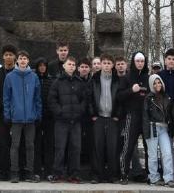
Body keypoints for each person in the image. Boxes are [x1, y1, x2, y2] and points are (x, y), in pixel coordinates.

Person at [4, 50, 42, 183]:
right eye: (20, 58)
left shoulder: (34, 77)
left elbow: (37, 98)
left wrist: (38, 114)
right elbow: (6, 98)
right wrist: (8, 114)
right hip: (16, 118)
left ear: (28, 61)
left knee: (30, 145)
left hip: (31, 118)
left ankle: (29, 172)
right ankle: (14, 172)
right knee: (15, 145)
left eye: (25, 58)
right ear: (17, 61)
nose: (23, 61)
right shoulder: (10, 77)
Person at [48, 56, 86, 184]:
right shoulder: (57, 82)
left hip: (76, 121)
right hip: (61, 121)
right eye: (69, 64)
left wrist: (79, 111)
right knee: (60, 148)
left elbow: (84, 100)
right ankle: (57, 174)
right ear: (64, 66)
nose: (71, 66)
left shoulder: (79, 82)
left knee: (76, 148)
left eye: (73, 65)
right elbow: (52, 100)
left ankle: (74, 174)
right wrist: (60, 112)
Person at [117, 51, 150, 184]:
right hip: (132, 115)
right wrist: (131, 90)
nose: (140, 63)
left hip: (146, 117)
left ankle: (150, 174)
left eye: (142, 61)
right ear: (133, 62)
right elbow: (119, 96)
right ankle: (123, 174)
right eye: (138, 61)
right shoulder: (127, 77)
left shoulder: (148, 78)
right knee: (128, 146)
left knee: (149, 147)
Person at [90, 54, 121, 184]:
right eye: (104, 63)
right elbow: (89, 97)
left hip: (112, 118)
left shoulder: (117, 80)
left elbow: (121, 99)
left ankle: (113, 175)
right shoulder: (94, 79)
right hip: (99, 117)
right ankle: (97, 175)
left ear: (112, 65)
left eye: (109, 63)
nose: (107, 65)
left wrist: (117, 114)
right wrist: (93, 114)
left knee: (112, 147)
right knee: (98, 146)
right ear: (101, 64)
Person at [144, 73, 174, 187]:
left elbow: (170, 114)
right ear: (151, 85)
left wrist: (171, 126)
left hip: (164, 128)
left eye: (159, 82)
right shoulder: (148, 98)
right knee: (152, 155)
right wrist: (146, 132)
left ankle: (169, 178)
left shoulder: (166, 97)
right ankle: (153, 178)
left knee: (167, 153)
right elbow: (145, 116)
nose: (157, 85)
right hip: (152, 127)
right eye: (154, 83)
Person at [0, 44, 18, 180]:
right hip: (2, 113)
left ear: (15, 57)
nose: (8, 57)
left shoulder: (19, 73)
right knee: (3, 143)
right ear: (3, 57)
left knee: (16, 143)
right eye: (6, 55)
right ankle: (3, 171)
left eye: (11, 54)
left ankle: (16, 170)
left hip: (17, 114)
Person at [33, 58, 55, 177]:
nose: (42, 67)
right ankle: (36, 171)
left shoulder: (51, 80)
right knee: (36, 145)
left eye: (44, 65)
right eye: (40, 65)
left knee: (49, 145)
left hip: (49, 117)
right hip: (36, 117)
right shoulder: (33, 79)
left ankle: (48, 171)